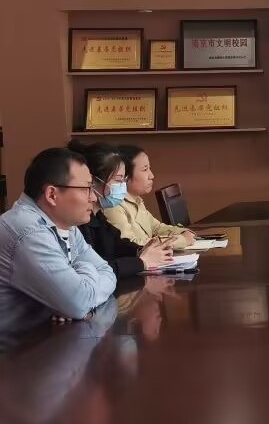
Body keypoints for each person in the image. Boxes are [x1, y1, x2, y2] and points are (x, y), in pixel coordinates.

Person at [0, 148, 116, 334]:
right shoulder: (27, 232)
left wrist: (78, 293)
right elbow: (78, 303)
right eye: (86, 188)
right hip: (16, 347)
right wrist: (82, 276)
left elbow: (108, 272)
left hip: (45, 338)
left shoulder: (66, 226)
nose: (94, 197)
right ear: (52, 195)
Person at [68, 141, 174, 277]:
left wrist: (142, 251)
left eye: (124, 180)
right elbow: (96, 268)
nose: (123, 186)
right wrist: (141, 261)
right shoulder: (78, 222)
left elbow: (117, 243)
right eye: (118, 180)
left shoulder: (98, 217)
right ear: (94, 182)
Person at [102, 145, 195, 249]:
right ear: (125, 175)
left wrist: (183, 232)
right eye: (145, 169)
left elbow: (156, 228)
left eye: (149, 169)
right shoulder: (113, 206)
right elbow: (131, 244)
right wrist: (182, 240)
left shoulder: (136, 200)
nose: (151, 176)